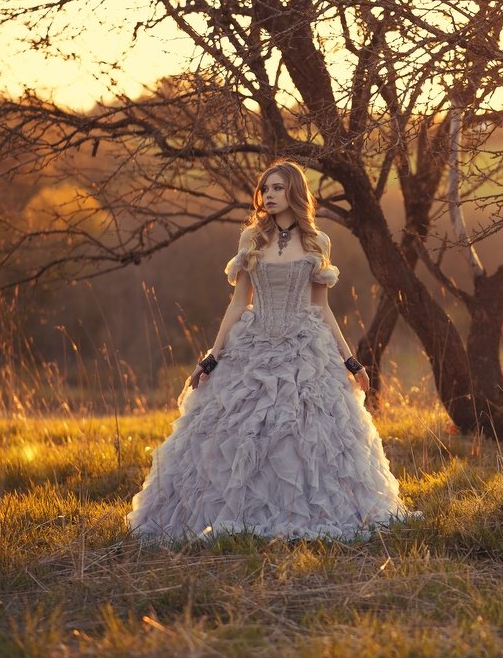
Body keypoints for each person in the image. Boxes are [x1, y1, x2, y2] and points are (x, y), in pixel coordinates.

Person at [128, 159, 413, 541]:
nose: (269, 195)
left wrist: (350, 361)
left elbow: (322, 308)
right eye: (265, 189)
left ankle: (302, 513)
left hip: (305, 349)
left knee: (303, 434)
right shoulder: (251, 240)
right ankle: (235, 515)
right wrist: (211, 358)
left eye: (278, 188)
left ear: (295, 191)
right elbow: (237, 303)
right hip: (253, 344)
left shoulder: (317, 242)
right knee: (240, 432)